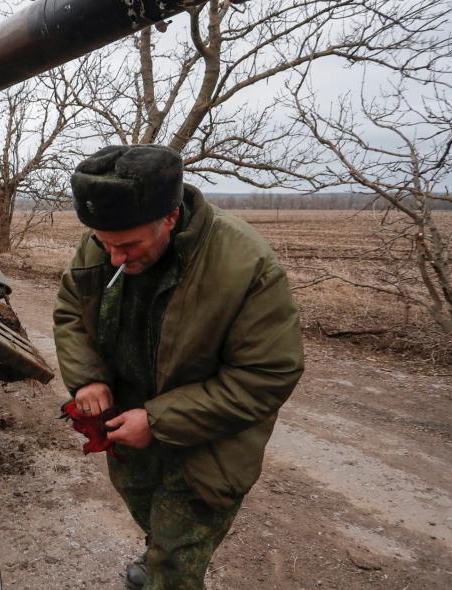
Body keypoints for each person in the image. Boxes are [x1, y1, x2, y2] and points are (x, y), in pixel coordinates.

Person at [53, 144, 304, 589]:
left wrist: (158, 419)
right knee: (153, 522)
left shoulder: (245, 263)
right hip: (129, 434)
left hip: (207, 445)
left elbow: (268, 374)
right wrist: (88, 377)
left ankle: (164, 568)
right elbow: (72, 310)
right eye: (104, 244)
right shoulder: (108, 239)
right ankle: (157, 557)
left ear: (169, 217)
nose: (114, 259)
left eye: (129, 246)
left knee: (176, 565)